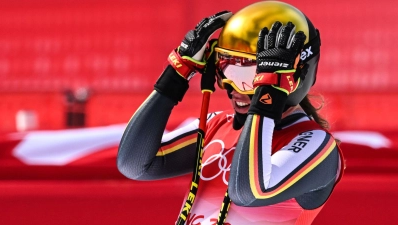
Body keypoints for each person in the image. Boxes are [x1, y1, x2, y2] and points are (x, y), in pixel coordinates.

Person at [117, 1, 345, 224]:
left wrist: (268, 97)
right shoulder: (217, 125)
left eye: (251, 77)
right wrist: (176, 75)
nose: (232, 88)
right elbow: (133, 164)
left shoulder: (318, 144)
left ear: (290, 79)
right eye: (226, 69)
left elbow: (247, 192)